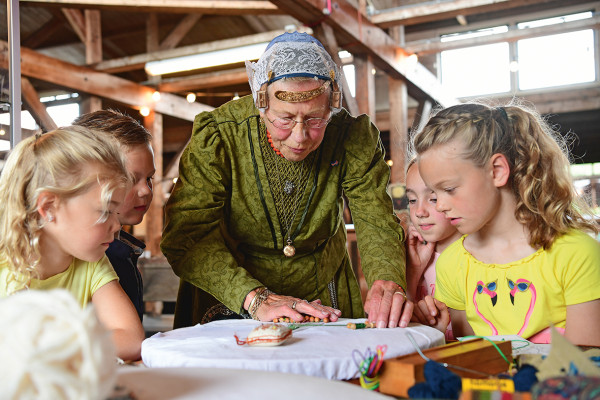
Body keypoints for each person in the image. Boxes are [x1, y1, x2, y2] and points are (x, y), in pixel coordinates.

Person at [161, 32, 411, 329]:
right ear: (260, 104)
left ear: (332, 104)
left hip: (322, 287)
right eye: (285, 119)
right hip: (235, 291)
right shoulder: (221, 135)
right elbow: (187, 236)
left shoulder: (351, 135)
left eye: (316, 119)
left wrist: (387, 277)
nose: (300, 137)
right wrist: (255, 298)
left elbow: (376, 220)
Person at [412, 101, 600, 345]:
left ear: (497, 170)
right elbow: (474, 357)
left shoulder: (576, 253)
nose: (439, 206)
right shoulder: (452, 264)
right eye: (436, 194)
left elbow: (584, 366)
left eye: (449, 189)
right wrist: (440, 337)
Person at [0, 126, 145, 360]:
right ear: (48, 208)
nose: (117, 226)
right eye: (105, 212)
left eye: (116, 213)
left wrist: (46, 350)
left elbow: (131, 339)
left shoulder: (92, 263)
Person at [74, 109, 156, 322]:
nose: (146, 190)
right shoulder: (89, 256)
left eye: (149, 178)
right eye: (131, 179)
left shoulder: (123, 249)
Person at [404, 159, 461, 339]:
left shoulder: (478, 257)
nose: (419, 211)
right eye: (412, 200)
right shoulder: (413, 255)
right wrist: (413, 271)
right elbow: (402, 329)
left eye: (433, 199)